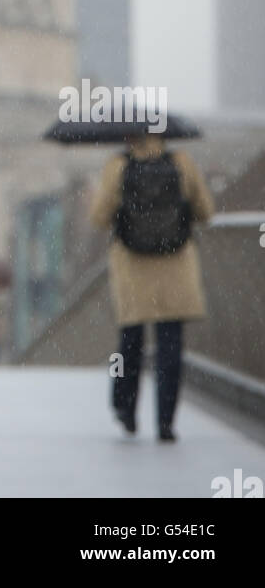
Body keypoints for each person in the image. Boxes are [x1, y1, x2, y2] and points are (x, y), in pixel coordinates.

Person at [89, 132, 215, 442]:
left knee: (130, 342)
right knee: (170, 345)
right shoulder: (181, 162)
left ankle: (126, 409)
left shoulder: (118, 165)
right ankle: (166, 421)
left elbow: (99, 217)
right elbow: (206, 212)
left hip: (133, 265)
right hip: (176, 264)